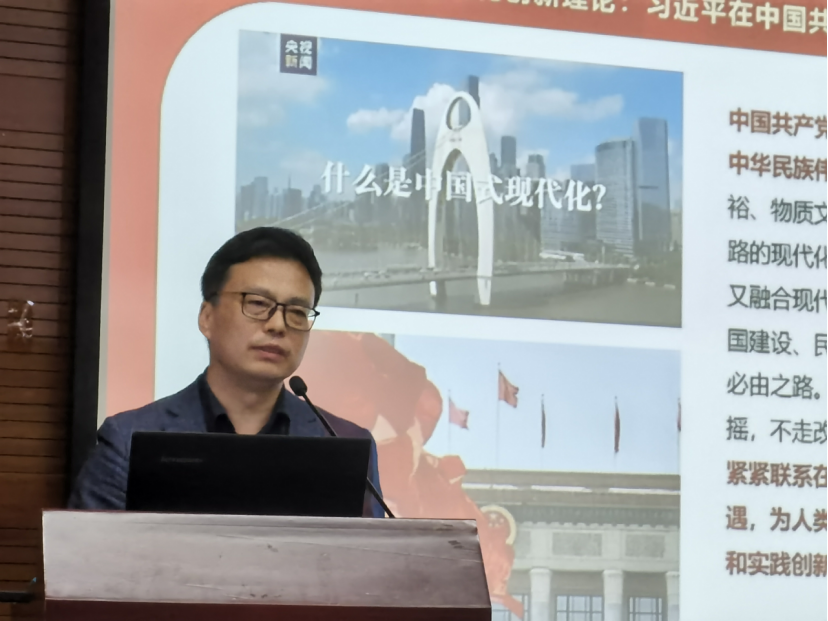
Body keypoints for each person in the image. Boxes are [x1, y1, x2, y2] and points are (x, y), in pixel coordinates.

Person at [69, 227, 384, 517]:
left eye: (298, 312)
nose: (278, 325)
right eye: (257, 303)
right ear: (207, 317)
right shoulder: (128, 440)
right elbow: (91, 555)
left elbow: (373, 557)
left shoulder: (346, 443)